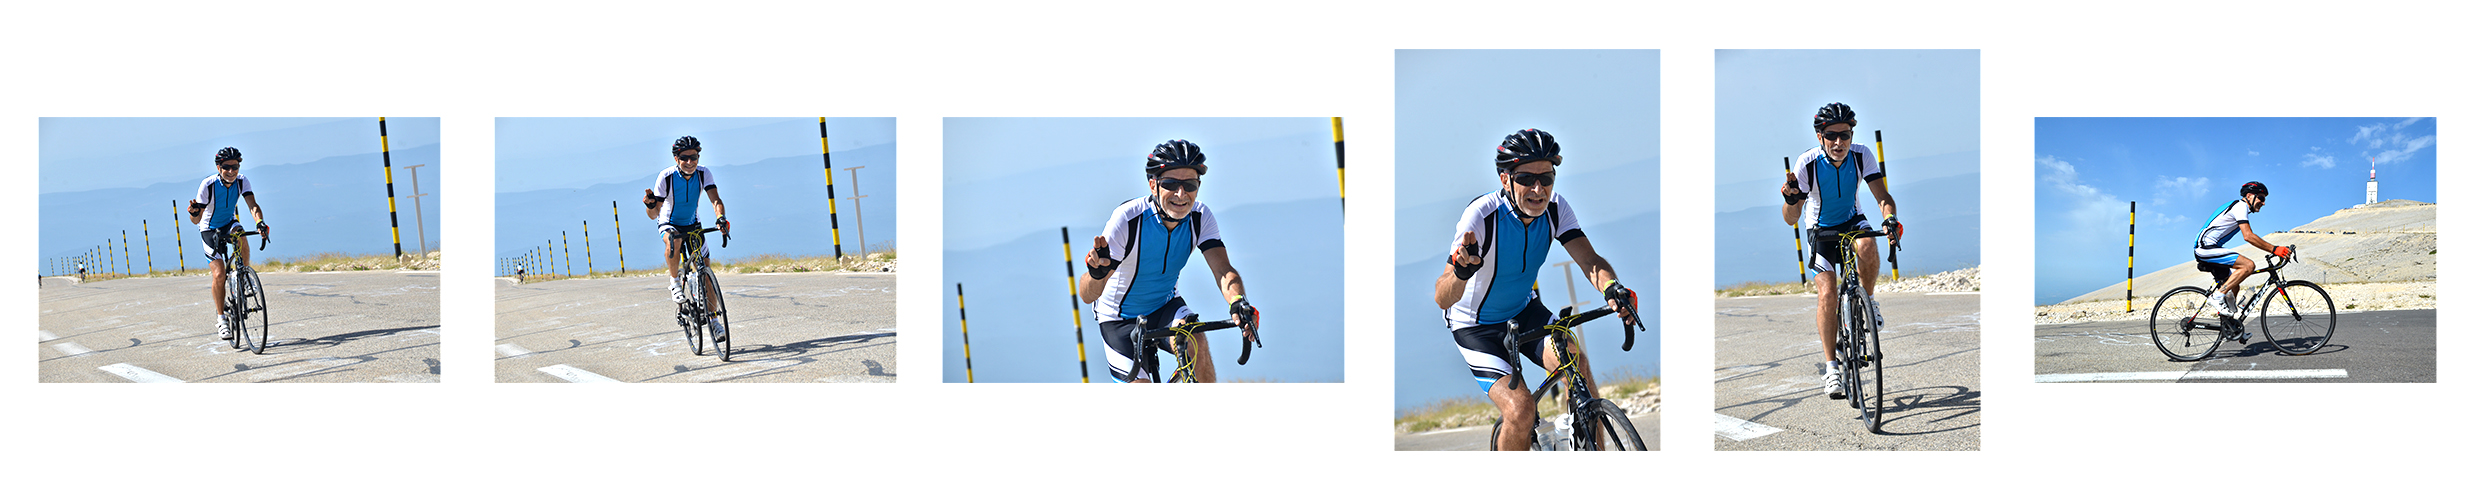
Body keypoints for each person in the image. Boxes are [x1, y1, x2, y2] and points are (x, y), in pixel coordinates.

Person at [1435, 129, 1640, 450]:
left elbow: (1589, 260)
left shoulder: (1557, 209)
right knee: (1521, 410)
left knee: (1576, 364)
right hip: (1475, 327)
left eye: (1547, 178)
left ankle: (1595, 454)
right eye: (1526, 178)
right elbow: (1442, 297)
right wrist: (1462, 273)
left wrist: (1612, 288)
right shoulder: (1482, 217)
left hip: (1523, 310)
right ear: (1505, 179)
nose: (1538, 188)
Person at [1081, 139, 1261, 383]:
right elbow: (1087, 294)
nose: (1181, 194)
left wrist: (1238, 301)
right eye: (1170, 184)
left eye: (1190, 185)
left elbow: (1223, 270)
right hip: (1119, 319)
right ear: (1153, 184)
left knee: (1196, 341)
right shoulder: (1127, 220)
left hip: (1165, 307)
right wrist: (1096, 275)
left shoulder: (1200, 217)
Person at [1779, 102, 1902, 400]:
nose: (1839, 143)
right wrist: (1793, 199)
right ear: (1820, 136)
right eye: (1831, 135)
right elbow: (1791, 219)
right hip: (1820, 228)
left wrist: (1889, 219)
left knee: (1869, 242)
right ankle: (1832, 367)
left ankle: (1869, 300)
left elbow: (1882, 196)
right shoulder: (1806, 163)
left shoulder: (1861, 155)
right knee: (1827, 294)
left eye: (1845, 135)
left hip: (1852, 219)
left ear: (1851, 135)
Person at [642, 136, 729, 339]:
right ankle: (674, 282)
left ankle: (714, 321)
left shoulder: (703, 173)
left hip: (693, 223)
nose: (689, 162)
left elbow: (715, 199)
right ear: (676, 158)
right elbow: (654, 214)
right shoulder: (666, 177)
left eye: (694, 157)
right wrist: (649, 204)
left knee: (705, 272)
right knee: (675, 240)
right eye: (684, 158)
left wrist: (721, 218)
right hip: (669, 222)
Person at [187, 147, 269, 341]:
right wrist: (193, 212)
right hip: (209, 228)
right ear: (219, 167)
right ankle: (222, 320)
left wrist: (260, 223)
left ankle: (245, 276)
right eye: (226, 167)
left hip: (229, 223)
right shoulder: (207, 185)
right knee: (219, 274)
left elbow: (252, 205)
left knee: (241, 235)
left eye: (235, 167)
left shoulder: (242, 181)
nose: (231, 171)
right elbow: (196, 221)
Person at [2195, 181, 2288, 325]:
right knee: (2248, 266)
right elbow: (2248, 236)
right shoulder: (2240, 206)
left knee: (2234, 287)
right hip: (2205, 248)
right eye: (2261, 198)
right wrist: (2274, 249)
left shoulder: (2240, 207)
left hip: (2211, 247)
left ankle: (2231, 326)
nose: (2263, 203)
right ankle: (2217, 296)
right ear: (2250, 196)